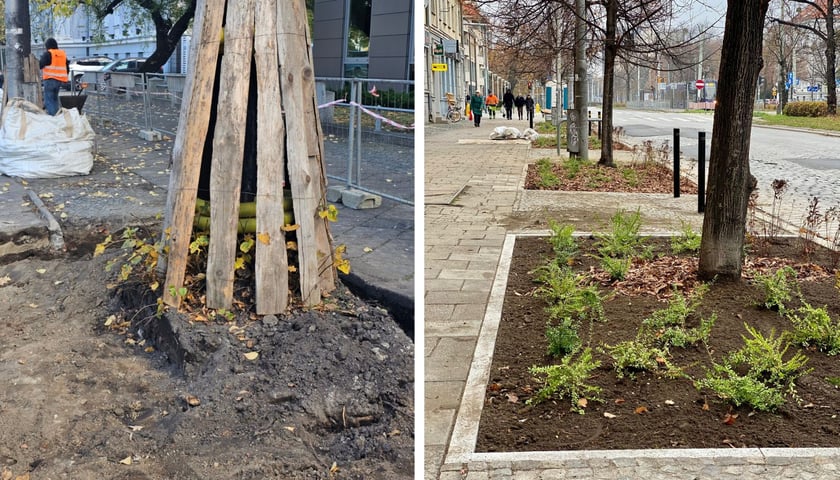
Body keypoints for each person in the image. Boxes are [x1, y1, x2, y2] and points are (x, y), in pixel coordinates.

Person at [39, 38, 69, 115]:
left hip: (49, 80)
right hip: (59, 80)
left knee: (49, 100)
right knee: (55, 99)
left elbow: (40, 65)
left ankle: (53, 118)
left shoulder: (48, 53)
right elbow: (67, 67)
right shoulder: (62, 54)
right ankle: (57, 116)